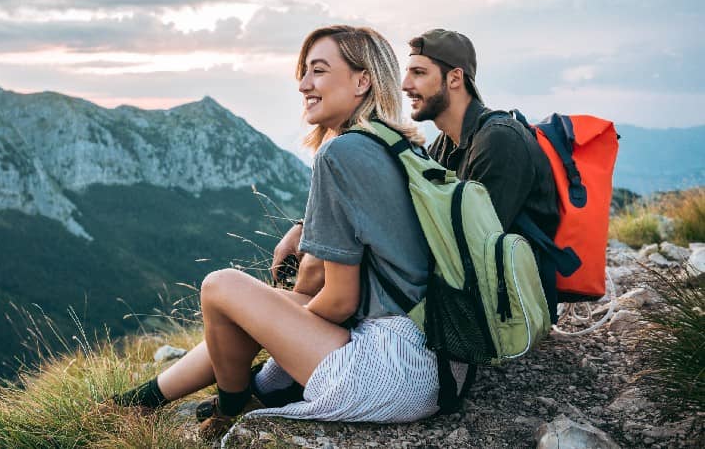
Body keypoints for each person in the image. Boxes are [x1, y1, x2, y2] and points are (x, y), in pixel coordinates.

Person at [111, 25, 440, 440]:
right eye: (304, 73)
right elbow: (337, 267)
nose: (304, 85)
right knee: (269, 305)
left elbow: (340, 301)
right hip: (432, 361)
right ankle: (143, 400)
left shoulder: (341, 152)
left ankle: (234, 407)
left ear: (362, 79)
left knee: (220, 287)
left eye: (318, 71)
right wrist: (296, 257)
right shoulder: (400, 146)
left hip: (390, 371)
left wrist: (273, 340)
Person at [402, 28, 559, 239]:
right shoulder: (444, 145)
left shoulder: (500, 141)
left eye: (418, 73)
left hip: (521, 272)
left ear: (455, 78)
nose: (405, 85)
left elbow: (476, 243)